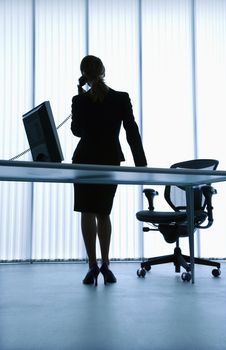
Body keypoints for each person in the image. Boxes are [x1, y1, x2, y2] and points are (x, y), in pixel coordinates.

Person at [71, 55, 147, 286]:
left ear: (84, 74)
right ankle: (106, 266)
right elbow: (131, 131)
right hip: (110, 160)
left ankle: (92, 267)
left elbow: (76, 131)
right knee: (103, 213)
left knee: (87, 212)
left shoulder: (79, 99)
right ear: (103, 71)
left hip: (84, 160)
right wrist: (140, 164)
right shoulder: (121, 98)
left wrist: (81, 95)